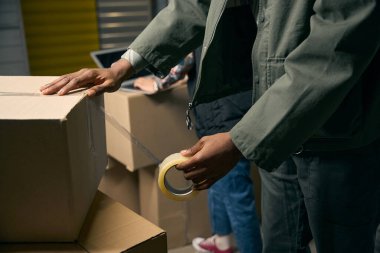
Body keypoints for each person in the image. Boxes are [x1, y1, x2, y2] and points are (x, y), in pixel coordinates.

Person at [40, 1, 380, 253]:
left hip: (337, 138)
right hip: (275, 138)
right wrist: (122, 66)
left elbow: (333, 54)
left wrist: (239, 141)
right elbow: (195, 5)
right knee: (278, 243)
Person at [135, 51, 262, 253]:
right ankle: (223, 240)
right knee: (216, 178)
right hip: (233, 106)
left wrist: (157, 84)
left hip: (224, 113)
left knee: (236, 193)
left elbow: (189, 57)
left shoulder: (205, 19)